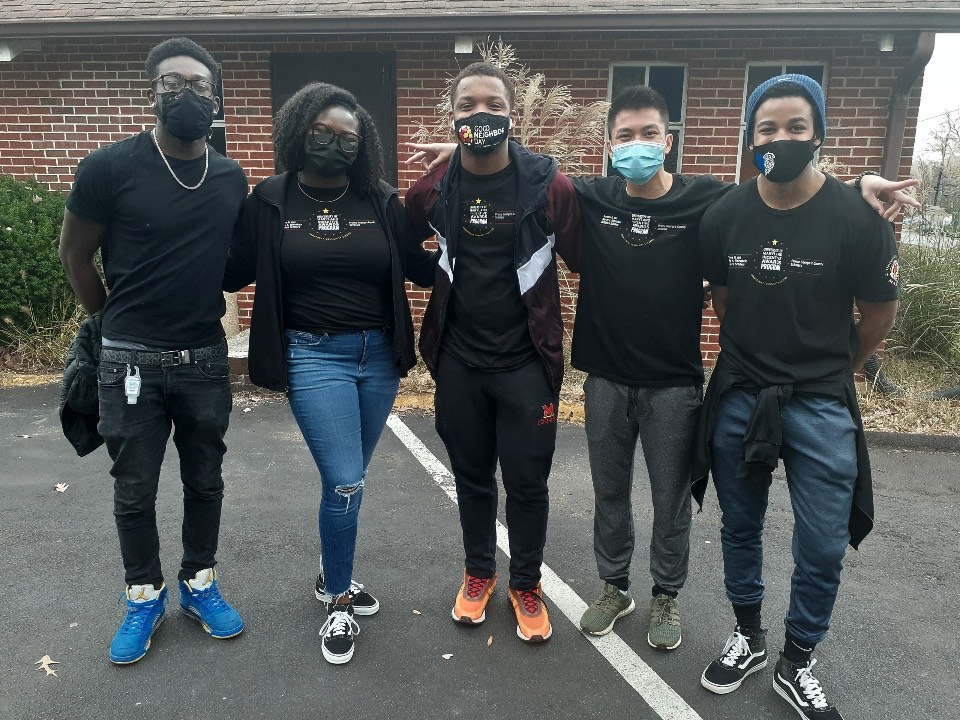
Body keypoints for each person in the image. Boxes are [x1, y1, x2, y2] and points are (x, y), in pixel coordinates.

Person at [407, 85, 916, 652]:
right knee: (610, 493)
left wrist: (856, 185)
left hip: (675, 380)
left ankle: (666, 594)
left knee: (671, 498)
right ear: (609, 146)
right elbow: (517, 170)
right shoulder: (590, 196)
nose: (637, 145)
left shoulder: (707, 201)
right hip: (603, 374)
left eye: (649, 134)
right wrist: (464, 151)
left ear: (668, 142)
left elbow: (781, 194)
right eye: (624, 136)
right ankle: (614, 586)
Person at [695, 74, 899, 719]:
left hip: (820, 402)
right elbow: (724, 304)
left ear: (818, 135)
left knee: (822, 539)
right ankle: (748, 635)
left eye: (795, 128)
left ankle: (798, 658)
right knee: (740, 525)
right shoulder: (725, 215)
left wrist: (840, 367)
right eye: (767, 129)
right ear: (750, 136)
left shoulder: (855, 218)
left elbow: (878, 314)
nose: (780, 139)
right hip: (740, 395)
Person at [223, 83, 437, 665]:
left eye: (349, 137)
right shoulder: (269, 200)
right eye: (323, 132)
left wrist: (452, 195)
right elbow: (229, 267)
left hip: (378, 358)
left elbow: (423, 266)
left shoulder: (381, 200)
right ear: (298, 131)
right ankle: (338, 597)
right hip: (312, 355)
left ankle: (329, 575)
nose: (335, 144)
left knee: (348, 482)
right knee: (345, 479)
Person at [59, 37, 247, 665]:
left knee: (205, 481)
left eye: (198, 84)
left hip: (203, 358)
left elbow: (232, 262)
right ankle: (144, 595)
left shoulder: (228, 177)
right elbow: (75, 254)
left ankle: (199, 585)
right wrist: (107, 323)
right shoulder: (109, 168)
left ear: (215, 96)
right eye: (172, 83)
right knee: (134, 489)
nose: (186, 93)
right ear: (152, 92)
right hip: (129, 359)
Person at [404, 62, 582, 643]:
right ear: (452, 116)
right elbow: (406, 243)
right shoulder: (433, 187)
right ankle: (479, 571)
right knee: (473, 477)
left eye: (493, 104)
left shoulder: (547, 185)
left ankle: (525, 583)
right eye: (467, 105)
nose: (481, 115)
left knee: (528, 482)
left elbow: (586, 251)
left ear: (512, 114)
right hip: (460, 362)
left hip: (527, 363)